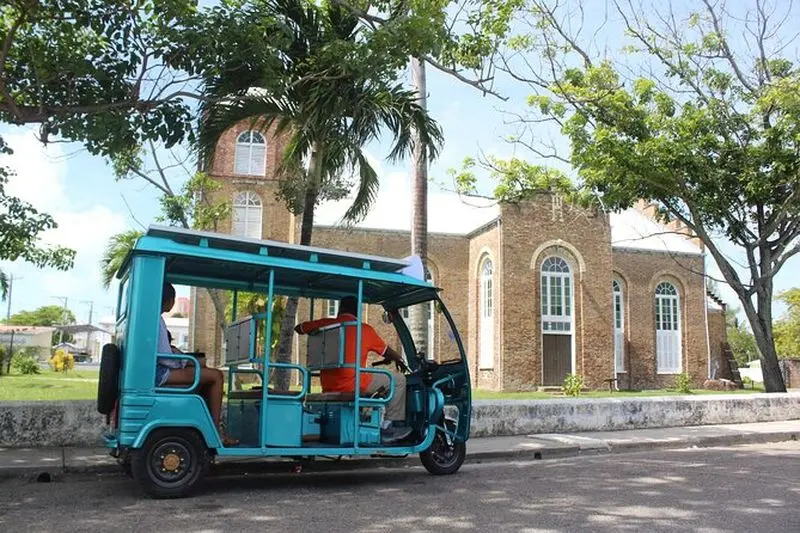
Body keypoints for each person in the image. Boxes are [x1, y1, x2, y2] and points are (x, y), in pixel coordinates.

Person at [295, 296, 412, 443]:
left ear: (340, 308)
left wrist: (317, 326)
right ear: (357, 310)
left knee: (371, 375)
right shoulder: (365, 329)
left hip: (328, 384)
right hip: (353, 384)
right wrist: (398, 359)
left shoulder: (326, 324)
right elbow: (386, 351)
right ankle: (388, 426)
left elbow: (298, 328)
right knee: (399, 380)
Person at [156, 283, 237, 446]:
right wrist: (185, 361)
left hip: (158, 370)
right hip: (160, 373)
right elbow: (166, 359)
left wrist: (184, 358)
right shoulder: (157, 321)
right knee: (216, 376)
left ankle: (206, 423)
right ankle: (215, 431)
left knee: (204, 371)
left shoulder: (154, 318)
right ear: (169, 301)